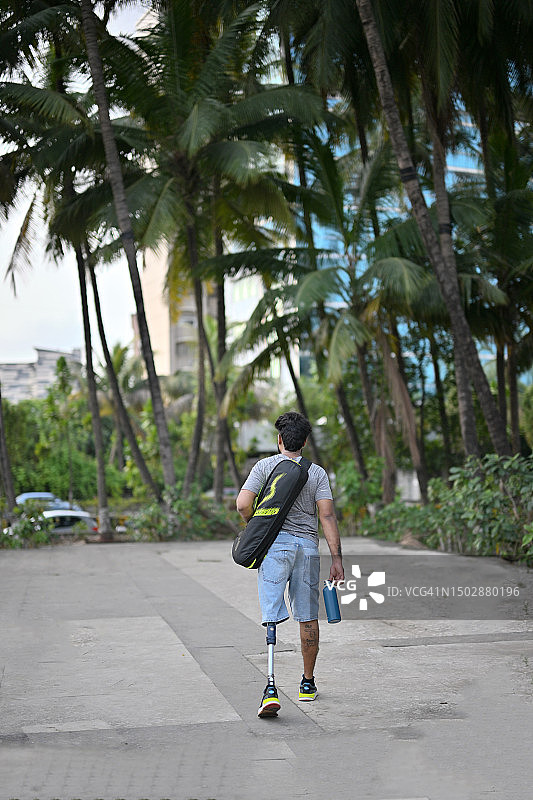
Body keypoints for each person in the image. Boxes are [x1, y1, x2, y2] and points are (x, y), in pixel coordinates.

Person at [236, 411, 344, 717]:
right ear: (305, 441)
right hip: (307, 550)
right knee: (307, 617)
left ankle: (270, 687)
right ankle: (307, 683)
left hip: (275, 548)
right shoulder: (318, 474)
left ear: (280, 439)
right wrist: (336, 559)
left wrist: (257, 525)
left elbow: (243, 504)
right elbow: (327, 516)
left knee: (271, 615)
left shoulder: (265, 467)